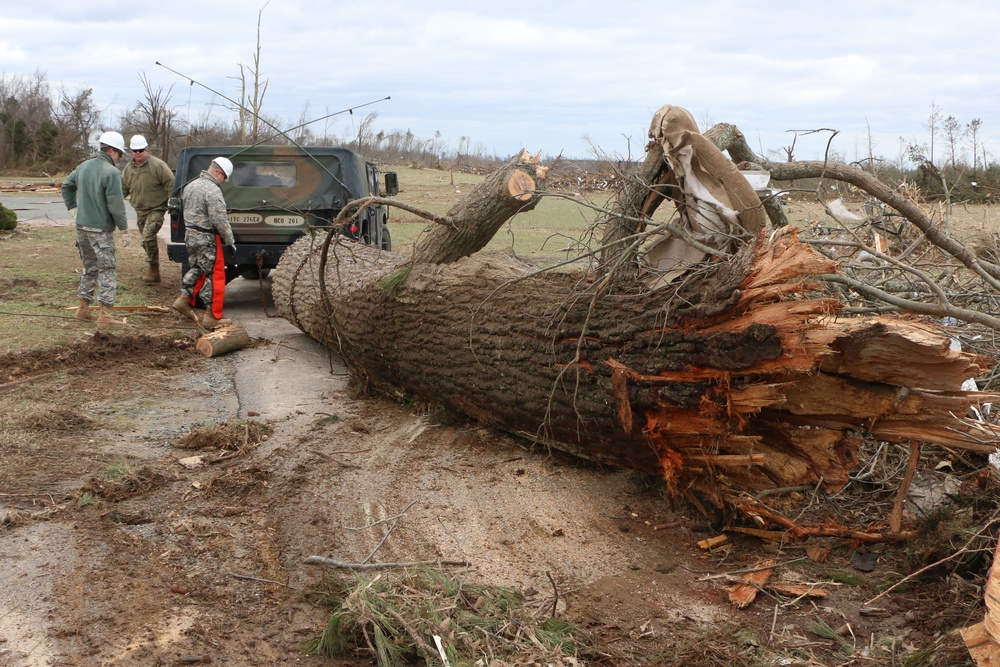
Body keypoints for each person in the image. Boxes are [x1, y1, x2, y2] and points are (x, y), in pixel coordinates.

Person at [61, 130, 129, 326]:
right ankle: (106, 314)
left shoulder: (83, 166)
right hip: (100, 230)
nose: (120, 158)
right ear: (111, 150)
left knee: (89, 268)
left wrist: (73, 208)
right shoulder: (111, 172)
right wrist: (124, 229)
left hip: (81, 227)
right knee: (107, 269)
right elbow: (116, 205)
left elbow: (66, 186)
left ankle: (83, 308)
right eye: (120, 153)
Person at [171, 157, 236, 329]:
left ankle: (183, 300)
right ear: (219, 173)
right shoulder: (212, 190)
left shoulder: (191, 186)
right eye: (224, 178)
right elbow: (219, 219)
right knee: (214, 275)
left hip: (191, 235)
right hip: (206, 237)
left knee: (198, 268)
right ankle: (212, 316)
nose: (223, 181)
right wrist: (230, 240)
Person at [121, 134, 174, 284]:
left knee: (148, 236)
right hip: (140, 210)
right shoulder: (128, 168)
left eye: (140, 150)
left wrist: (172, 202)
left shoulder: (158, 165)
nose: (138, 153)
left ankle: (153, 269)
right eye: (135, 151)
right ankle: (154, 269)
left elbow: (171, 183)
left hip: (156, 208)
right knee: (146, 241)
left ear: (146, 149)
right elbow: (123, 188)